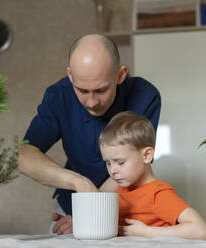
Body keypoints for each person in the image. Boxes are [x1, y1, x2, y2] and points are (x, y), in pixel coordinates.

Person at [17, 34, 161, 235]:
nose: (92, 102)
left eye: (101, 90)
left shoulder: (145, 95)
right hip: (70, 209)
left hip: (126, 207)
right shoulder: (58, 96)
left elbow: (135, 164)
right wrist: (79, 182)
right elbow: (24, 156)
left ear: (120, 75)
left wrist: (90, 212)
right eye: (82, 90)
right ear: (70, 76)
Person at [98, 111, 206, 240]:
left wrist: (146, 232)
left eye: (120, 162)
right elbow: (94, 198)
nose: (112, 171)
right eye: (108, 163)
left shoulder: (158, 194)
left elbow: (201, 230)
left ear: (146, 156)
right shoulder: (118, 185)